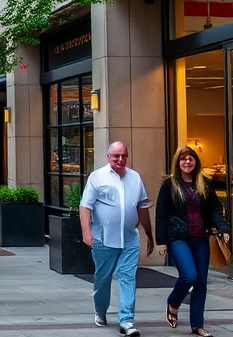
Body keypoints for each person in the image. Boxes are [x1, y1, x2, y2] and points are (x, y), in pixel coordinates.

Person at [80, 141, 154, 337]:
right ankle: (101, 310)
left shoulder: (135, 177)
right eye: (116, 156)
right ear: (108, 157)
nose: (120, 160)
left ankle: (127, 320)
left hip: (130, 238)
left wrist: (149, 233)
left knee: (128, 277)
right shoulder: (97, 177)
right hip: (103, 239)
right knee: (103, 278)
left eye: (123, 156)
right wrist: (86, 232)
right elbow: (85, 207)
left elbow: (142, 207)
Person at [156, 147, 230, 337]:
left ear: (196, 161)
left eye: (190, 159)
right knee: (189, 275)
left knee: (201, 283)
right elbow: (161, 213)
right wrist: (161, 241)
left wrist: (223, 229)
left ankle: (197, 325)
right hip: (178, 238)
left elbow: (215, 209)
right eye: (183, 159)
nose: (187, 162)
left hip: (200, 239)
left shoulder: (204, 183)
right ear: (178, 163)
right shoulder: (169, 184)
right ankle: (173, 301)